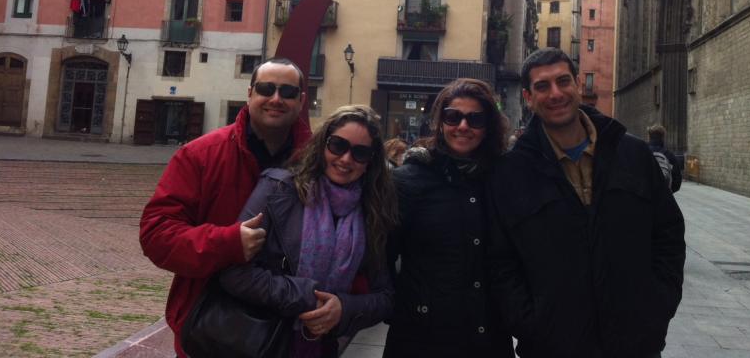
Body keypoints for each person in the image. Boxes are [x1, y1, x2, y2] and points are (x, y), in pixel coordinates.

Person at [487, 48, 685, 358]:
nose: (556, 93)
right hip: (551, 348)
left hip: (635, 346)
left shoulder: (632, 154)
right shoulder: (511, 173)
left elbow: (668, 232)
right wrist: (531, 323)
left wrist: (657, 307)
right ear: (528, 97)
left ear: (577, 84)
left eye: (563, 81)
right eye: (542, 86)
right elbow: (501, 261)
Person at [140, 58, 312, 357]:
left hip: (295, 332)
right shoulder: (201, 155)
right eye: (266, 89)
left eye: (287, 92)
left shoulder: (319, 163)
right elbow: (156, 234)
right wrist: (227, 243)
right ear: (250, 93)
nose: (276, 99)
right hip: (211, 330)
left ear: (302, 100)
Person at [219, 105, 397, 357]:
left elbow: (385, 297)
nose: (346, 159)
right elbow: (233, 272)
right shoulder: (277, 189)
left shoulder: (372, 211)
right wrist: (305, 297)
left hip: (323, 347)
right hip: (260, 342)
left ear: (370, 161)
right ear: (323, 145)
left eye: (360, 153)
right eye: (338, 145)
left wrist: (343, 309)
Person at [384, 78, 515, 358]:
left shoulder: (502, 180)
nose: (463, 126)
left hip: (488, 337)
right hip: (421, 339)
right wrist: (404, 307)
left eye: (475, 119)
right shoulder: (408, 181)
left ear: (488, 126)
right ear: (440, 123)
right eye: (453, 116)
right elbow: (381, 257)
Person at [647, 124, 682, 193]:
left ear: (648, 137)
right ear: (663, 137)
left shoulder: (642, 152)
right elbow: (677, 180)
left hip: (645, 195)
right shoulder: (670, 156)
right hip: (664, 195)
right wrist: (668, 192)